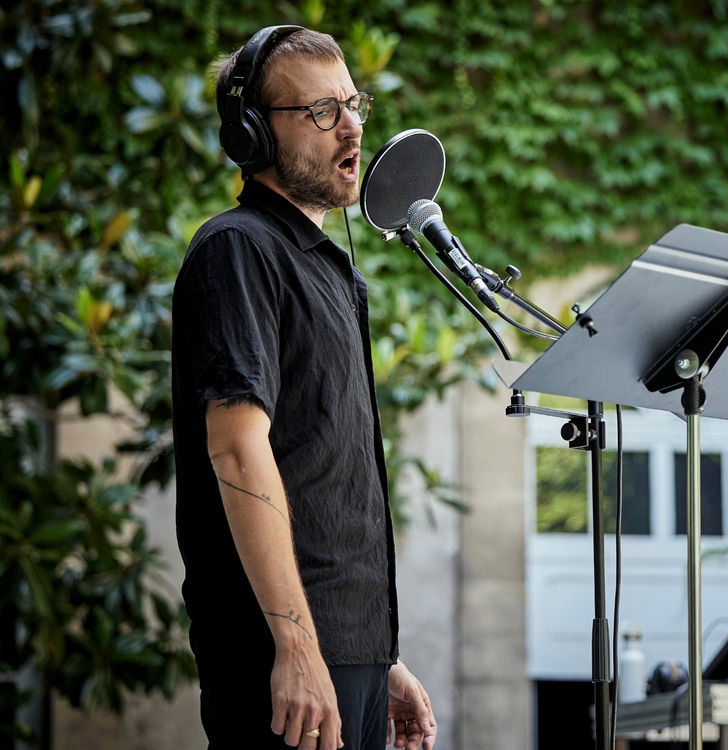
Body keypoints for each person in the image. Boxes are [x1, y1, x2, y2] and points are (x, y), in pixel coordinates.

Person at [171, 25, 437, 750]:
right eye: (322, 111)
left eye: (354, 104)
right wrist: (296, 647)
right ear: (252, 135)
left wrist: (378, 658)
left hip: (345, 655)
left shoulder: (331, 269)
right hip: (280, 664)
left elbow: (323, 474)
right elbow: (236, 449)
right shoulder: (238, 249)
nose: (352, 127)